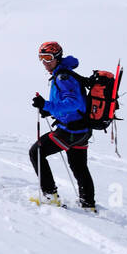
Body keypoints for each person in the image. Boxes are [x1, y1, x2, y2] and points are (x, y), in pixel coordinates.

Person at [29, 40, 96, 210]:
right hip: (82, 130)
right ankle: (88, 204)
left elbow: (74, 103)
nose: (45, 62)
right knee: (79, 166)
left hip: (71, 131)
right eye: (41, 58)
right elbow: (69, 105)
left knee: (36, 151)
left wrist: (47, 105)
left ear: (57, 57)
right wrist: (50, 111)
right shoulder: (63, 74)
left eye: (48, 57)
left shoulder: (63, 77)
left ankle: (50, 196)